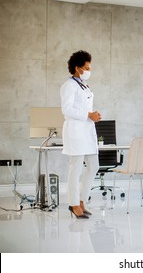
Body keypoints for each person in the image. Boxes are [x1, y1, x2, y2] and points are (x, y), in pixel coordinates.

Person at [60, 50, 101, 219]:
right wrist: (88, 115)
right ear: (77, 68)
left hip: (86, 130)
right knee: (75, 168)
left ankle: (82, 200)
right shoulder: (68, 86)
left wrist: (92, 115)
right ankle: (73, 203)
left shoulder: (83, 85)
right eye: (86, 67)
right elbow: (66, 109)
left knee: (94, 166)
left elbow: (84, 107)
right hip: (75, 131)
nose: (89, 70)